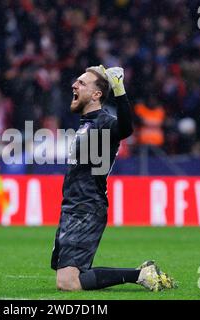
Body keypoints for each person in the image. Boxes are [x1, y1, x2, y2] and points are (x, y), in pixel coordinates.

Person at [51, 65, 176, 291]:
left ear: (96, 95)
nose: (74, 85)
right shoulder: (86, 123)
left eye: (81, 83)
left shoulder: (104, 121)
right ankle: (141, 274)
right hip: (73, 206)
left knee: (68, 283)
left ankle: (141, 275)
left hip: (86, 207)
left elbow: (126, 128)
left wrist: (119, 90)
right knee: (68, 275)